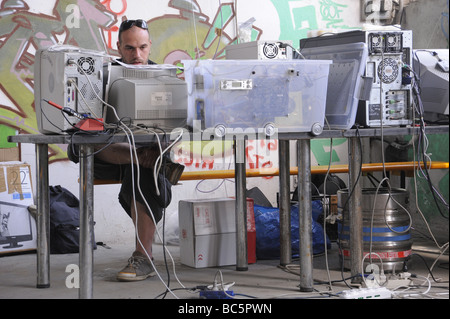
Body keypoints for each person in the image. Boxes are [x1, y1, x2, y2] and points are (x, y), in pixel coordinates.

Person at [68, 19, 184, 282]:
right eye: (130, 48)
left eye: (142, 47)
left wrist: (163, 145)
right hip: (109, 153)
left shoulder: (164, 77)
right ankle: (141, 159)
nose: (137, 55)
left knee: (147, 169)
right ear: (118, 46)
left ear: (150, 46)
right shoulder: (100, 77)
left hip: (147, 152)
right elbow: (81, 127)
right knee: (88, 143)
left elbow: (178, 128)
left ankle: (143, 257)